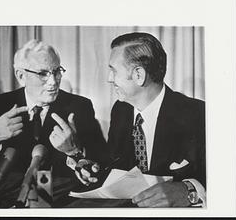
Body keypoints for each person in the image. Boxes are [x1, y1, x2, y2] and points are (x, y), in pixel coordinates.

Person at [72, 32, 206, 207]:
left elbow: (227, 179)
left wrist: (189, 190)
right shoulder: (121, 110)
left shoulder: (199, 114)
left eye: (113, 70)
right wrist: (91, 167)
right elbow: (116, 165)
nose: (109, 79)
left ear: (138, 75)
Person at [0, 39, 107, 207]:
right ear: (21, 76)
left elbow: (100, 162)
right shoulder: (1, 103)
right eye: (42, 73)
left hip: (61, 202)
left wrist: (75, 152)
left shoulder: (79, 106)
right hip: (7, 199)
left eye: (57, 71)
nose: (53, 81)